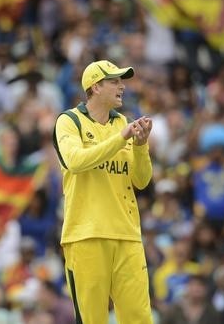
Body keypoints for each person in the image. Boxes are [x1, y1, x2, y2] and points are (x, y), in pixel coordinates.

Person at [52, 59, 153, 323]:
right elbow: (75, 161)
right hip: (86, 235)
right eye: (114, 81)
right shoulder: (69, 121)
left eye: (122, 81)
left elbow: (141, 181)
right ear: (95, 87)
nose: (122, 86)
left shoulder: (123, 124)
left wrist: (141, 147)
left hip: (127, 234)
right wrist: (121, 140)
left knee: (139, 318)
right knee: (92, 319)